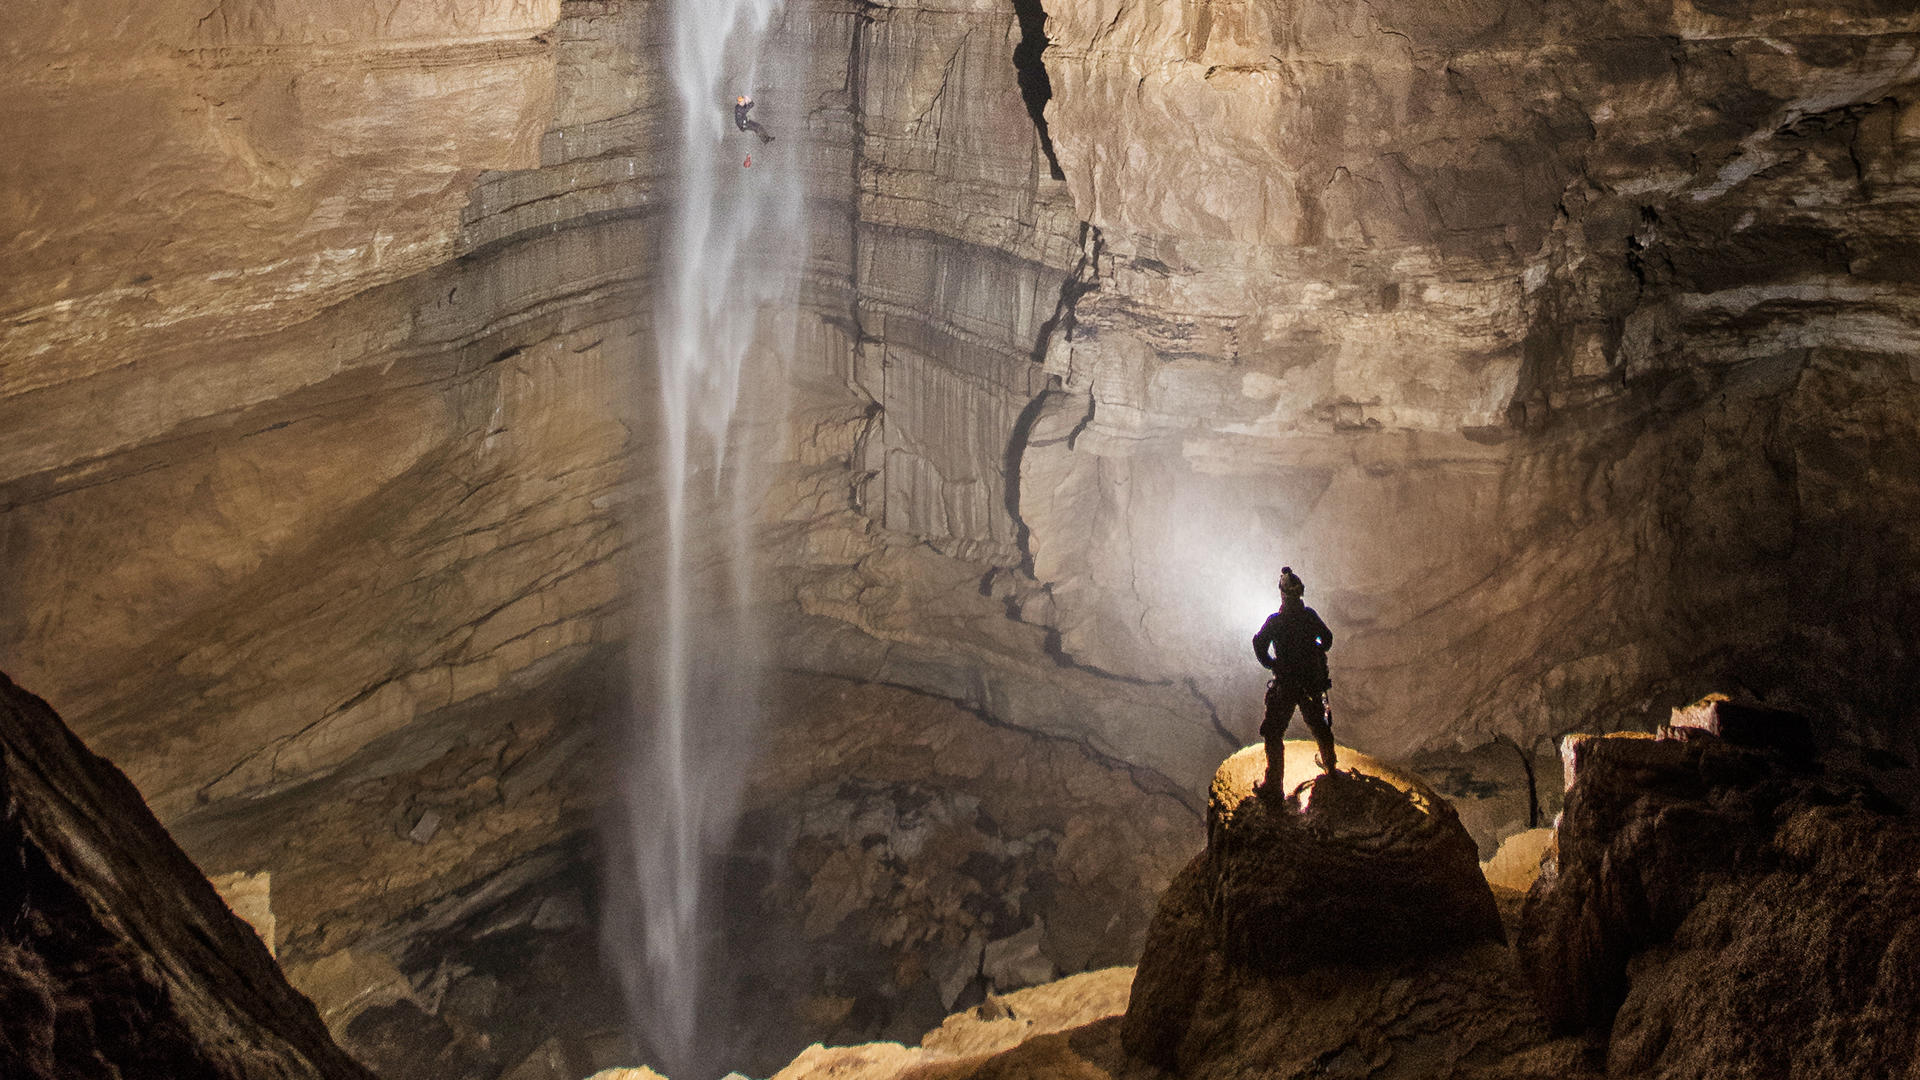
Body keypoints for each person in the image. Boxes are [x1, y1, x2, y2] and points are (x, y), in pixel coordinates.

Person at [1251, 566, 1336, 795]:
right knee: (1319, 725)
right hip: (1311, 682)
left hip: (1287, 683)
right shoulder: (1309, 616)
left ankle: (1274, 785)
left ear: (1282, 594)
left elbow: (1259, 644)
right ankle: (1330, 766)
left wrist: (1273, 664)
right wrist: (1314, 651)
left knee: (1273, 731)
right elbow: (1327, 639)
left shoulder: (1276, 621)